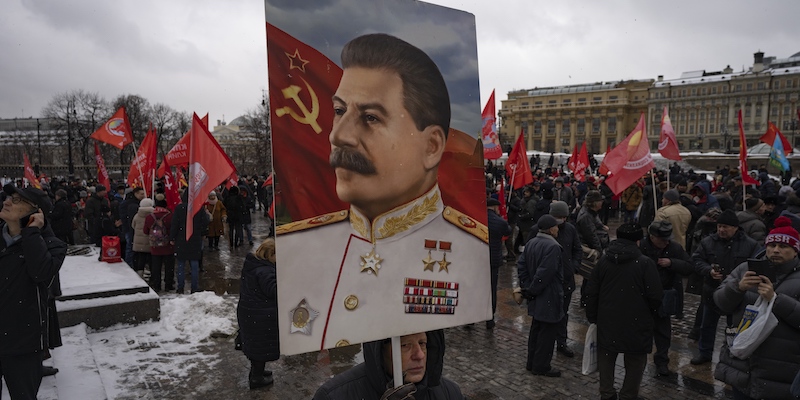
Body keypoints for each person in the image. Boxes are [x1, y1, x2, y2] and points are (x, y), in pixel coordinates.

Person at [275, 33, 489, 354]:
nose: (338, 135)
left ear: (431, 147)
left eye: (370, 117)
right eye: (338, 110)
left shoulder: (471, 252)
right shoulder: (296, 246)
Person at [714, 216, 800, 399]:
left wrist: (775, 300)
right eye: (772, 245)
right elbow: (720, 304)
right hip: (743, 368)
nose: (776, 250)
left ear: (795, 251)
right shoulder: (745, 269)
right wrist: (737, 288)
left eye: (784, 247)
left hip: (781, 372)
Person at [0, 184, 67, 399]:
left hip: (22, 343)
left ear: (36, 212)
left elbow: (41, 272)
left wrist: (30, 232)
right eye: (9, 197)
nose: (7, 201)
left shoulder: (52, 246)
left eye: (17, 200)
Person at [585, 223, 663, 400]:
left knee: (606, 357)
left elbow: (591, 291)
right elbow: (655, 296)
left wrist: (593, 316)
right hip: (637, 322)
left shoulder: (604, 261)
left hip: (607, 319)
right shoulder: (645, 263)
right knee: (635, 361)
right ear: (637, 241)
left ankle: (607, 393)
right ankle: (628, 394)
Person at [690, 209, 762, 365]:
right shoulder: (708, 242)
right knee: (707, 325)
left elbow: (757, 265)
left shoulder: (750, 244)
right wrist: (708, 270)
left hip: (738, 294)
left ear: (735, 228)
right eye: (719, 226)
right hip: (712, 290)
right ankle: (704, 353)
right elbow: (696, 260)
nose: (722, 230)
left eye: (726, 227)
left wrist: (739, 278)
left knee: (735, 326)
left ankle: (734, 354)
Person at [313, 330, 463, 400]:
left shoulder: (449, 393)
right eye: (405, 345)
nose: (419, 355)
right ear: (379, 352)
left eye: (422, 343)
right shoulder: (333, 396)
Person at [639, 221, 693, 376]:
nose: (665, 242)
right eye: (662, 240)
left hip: (664, 297)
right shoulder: (641, 246)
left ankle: (662, 361)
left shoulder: (674, 248)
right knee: (642, 331)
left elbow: (689, 266)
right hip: (644, 297)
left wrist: (671, 263)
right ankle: (638, 360)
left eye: (667, 239)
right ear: (652, 237)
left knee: (663, 333)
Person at [517, 214, 564, 377]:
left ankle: (532, 362)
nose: (558, 229)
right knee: (547, 333)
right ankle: (541, 366)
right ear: (551, 229)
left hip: (537, 295)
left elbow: (521, 265)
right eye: (556, 226)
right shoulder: (553, 247)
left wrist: (527, 286)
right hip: (548, 295)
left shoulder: (531, 242)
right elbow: (545, 273)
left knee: (536, 330)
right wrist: (533, 289)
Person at [237, 238, 279, 389]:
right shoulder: (265, 271)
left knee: (256, 345)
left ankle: (257, 372)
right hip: (259, 315)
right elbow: (274, 291)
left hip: (251, 312)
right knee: (260, 347)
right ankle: (256, 378)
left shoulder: (254, 264)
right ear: (270, 255)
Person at [543, 201, 582, 358]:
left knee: (563, 313)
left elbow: (577, 249)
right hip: (548, 281)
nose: (561, 220)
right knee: (547, 313)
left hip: (566, 280)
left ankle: (561, 342)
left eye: (563, 217)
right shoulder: (542, 229)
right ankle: (546, 344)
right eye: (558, 217)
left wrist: (573, 266)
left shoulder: (571, 229)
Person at [170, 191, 210, 294]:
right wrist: (202, 232)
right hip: (195, 238)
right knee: (194, 264)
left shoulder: (179, 208)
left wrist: (172, 237)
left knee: (181, 265)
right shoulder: (198, 207)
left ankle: (180, 287)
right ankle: (194, 287)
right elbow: (205, 222)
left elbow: (174, 224)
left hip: (181, 238)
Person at [486, 198, 511, 329]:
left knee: (476, 288)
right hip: (493, 260)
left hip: (479, 259)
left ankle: (471, 320)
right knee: (491, 289)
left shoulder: (479, 219)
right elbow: (508, 231)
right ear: (495, 207)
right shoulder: (500, 222)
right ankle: (489, 319)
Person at [143, 195, 174, 292]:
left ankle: (157, 285)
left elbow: (145, 231)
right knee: (169, 266)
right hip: (168, 245)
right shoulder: (170, 216)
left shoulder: (149, 217)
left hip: (155, 246)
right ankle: (168, 285)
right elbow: (173, 230)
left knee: (156, 266)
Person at [119, 187, 145, 267]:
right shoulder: (131, 204)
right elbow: (128, 218)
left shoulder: (131, 202)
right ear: (135, 194)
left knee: (131, 247)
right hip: (130, 229)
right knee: (130, 247)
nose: (143, 196)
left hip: (130, 228)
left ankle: (133, 264)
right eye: (141, 194)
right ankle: (130, 264)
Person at [130, 198, 154, 279]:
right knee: (151, 258)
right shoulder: (153, 215)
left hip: (139, 241)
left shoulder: (137, 215)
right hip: (150, 240)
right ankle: (152, 274)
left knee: (141, 258)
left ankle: (140, 274)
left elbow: (133, 226)